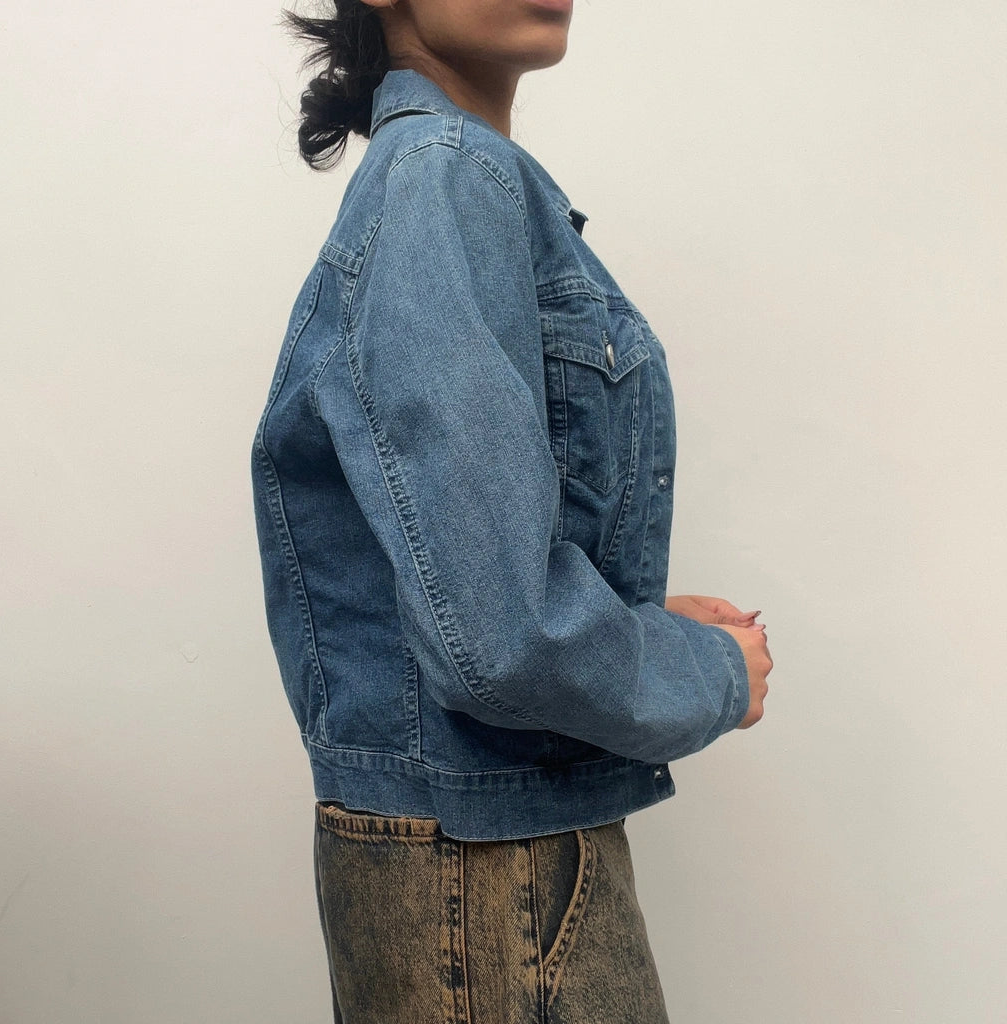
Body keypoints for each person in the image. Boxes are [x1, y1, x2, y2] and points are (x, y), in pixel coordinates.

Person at [251, 1, 773, 1020]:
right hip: (491, 878)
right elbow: (498, 638)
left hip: (472, 864)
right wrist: (710, 673)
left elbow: (449, 576)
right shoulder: (444, 176)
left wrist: (640, 626)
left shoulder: (444, 178)